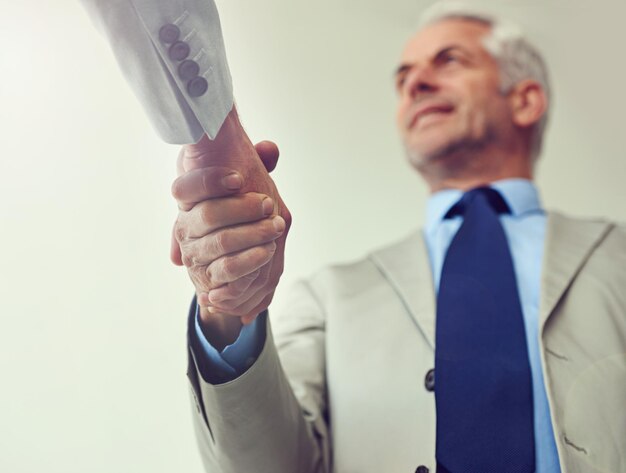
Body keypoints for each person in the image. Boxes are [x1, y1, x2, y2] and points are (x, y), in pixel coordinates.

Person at [82, 1, 626, 472]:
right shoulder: (331, 298)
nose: (415, 82)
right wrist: (230, 307)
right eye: (404, 76)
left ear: (526, 100)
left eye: (450, 60)